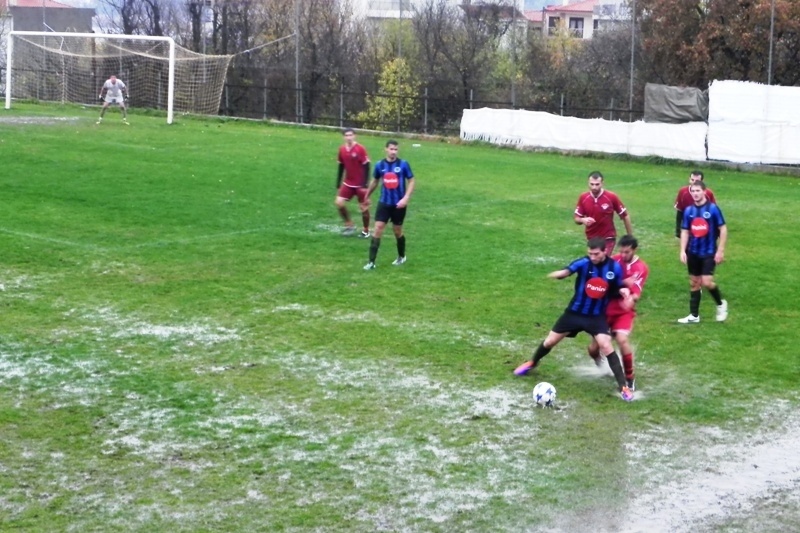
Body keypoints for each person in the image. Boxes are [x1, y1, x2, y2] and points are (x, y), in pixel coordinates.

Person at [514, 237, 635, 402]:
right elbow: (567, 271)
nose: (592, 257)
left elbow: (617, 286)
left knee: (606, 345)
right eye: (590, 253)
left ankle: (623, 387)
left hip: (596, 317)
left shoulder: (614, 268)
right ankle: (532, 362)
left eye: (596, 254)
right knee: (550, 341)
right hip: (574, 313)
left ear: (605, 251)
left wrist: (623, 291)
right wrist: (558, 274)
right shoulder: (583, 263)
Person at [587, 235, 649, 391]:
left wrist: (631, 299)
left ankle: (629, 378)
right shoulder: (613, 261)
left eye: (627, 252)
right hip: (605, 310)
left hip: (623, 312)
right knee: (593, 350)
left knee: (622, 339)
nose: (623, 255)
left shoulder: (641, 268)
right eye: (621, 251)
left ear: (634, 250)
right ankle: (602, 365)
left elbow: (636, 292)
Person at [678, 180, 728, 323]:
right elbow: (685, 231)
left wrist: (720, 250)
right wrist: (682, 250)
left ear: (704, 192)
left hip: (709, 252)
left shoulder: (713, 209)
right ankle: (694, 316)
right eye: (693, 191)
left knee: (706, 282)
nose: (695, 194)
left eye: (698, 191)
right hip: (693, 252)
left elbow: (723, 229)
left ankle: (721, 304)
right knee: (694, 283)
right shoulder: (689, 211)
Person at [363, 139, 415, 270]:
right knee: (377, 229)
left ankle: (401, 256)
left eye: (396, 149)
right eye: (391, 149)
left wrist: (406, 198)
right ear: (386, 149)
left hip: (399, 205)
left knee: (397, 231)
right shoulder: (380, 165)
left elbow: (411, 181)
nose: (393, 152)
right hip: (384, 203)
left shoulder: (403, 164)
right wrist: (366, 195)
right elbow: (375, 181)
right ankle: (371, 262)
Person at [574, 171, 633, 256]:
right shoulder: (583, 198)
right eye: (592, 184)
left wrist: (630, 237)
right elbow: (576, 218)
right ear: (588, 183)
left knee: (602, 258)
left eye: (597, 184)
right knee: (595, 260)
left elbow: (625, 216)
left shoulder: (611, 197)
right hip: (591, 237)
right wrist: (582, 220)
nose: (594, 187)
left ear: (602, 183)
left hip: (608, 237)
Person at [336, 128, 371, 237]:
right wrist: (338, 181)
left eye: (351, 135)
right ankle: (349, 224)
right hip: (348, 183)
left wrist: (365, 184)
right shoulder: (342, 149)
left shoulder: (360, 149)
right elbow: (341, 165)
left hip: (360, 184)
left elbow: (366, 166)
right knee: (339, 202)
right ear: (344, 137)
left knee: (363, 207)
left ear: (355, 136)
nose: (349, 137)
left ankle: (366, 230)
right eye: (346, 135)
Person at [674, 170, 717, 238]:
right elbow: (680, 211)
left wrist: (715, 231)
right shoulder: (683, 192)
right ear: (689, 179)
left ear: (702, 181)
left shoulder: (708, 194)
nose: (694, 182)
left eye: (697, 181)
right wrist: (678, 229)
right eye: (692, 180)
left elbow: (714, 213)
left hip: (704, 227)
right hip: (688, 228)